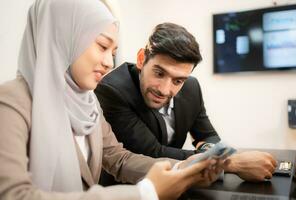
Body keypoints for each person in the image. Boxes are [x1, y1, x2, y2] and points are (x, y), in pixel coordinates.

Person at [0, 1, 223, 200]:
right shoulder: (10, 103)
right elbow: (14, 195)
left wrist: (185, 169)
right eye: (102, 46)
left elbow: (118, 158)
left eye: (113, 51)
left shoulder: (87, 102)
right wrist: (144, 193)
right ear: (63, 36)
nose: (109, 62)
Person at [95, 22, 277, 184]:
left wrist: (210, 150)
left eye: (178, 81)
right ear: (142, 59)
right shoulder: (112, 90)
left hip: (177, 183)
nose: (165, 90)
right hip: (128, 189)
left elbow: (207, 136)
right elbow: (152, 152)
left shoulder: (191, 87)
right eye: (159, 73)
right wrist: (230, 162)